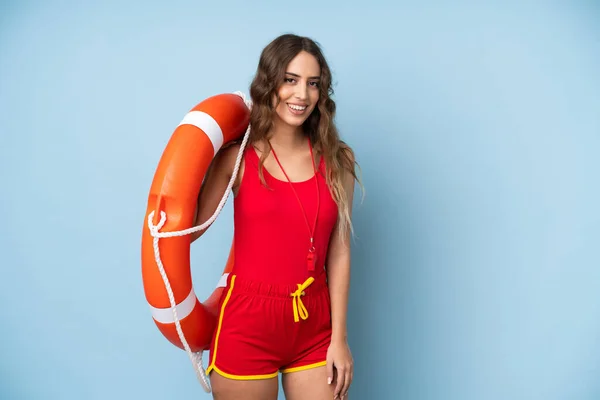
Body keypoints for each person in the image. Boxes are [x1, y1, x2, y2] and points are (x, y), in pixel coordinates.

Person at [191, 33, 361, 400]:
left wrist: (339, 339)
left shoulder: (338, 160)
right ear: (269, 83)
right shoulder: (235, 160)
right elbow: (188, 230)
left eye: (312, 83)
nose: (302, 95)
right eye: (290, 80)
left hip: (314, 324)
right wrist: (186, 162)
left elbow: (340, 251)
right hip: (247, 323)